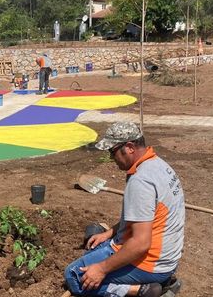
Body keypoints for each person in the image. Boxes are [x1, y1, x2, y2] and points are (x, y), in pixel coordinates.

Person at [64, 122, 185, 297]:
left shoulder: (141, 181)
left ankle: (142, 291)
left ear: (129, 147)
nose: (111, 158)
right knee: (97, 243)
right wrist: (110, 233)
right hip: (166, 258)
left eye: (112, 152)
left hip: (151, 264)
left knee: (74, 275)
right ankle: (163, 282)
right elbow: (144, 215)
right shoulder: (158, 164)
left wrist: (101, 269)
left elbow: (141, 243)